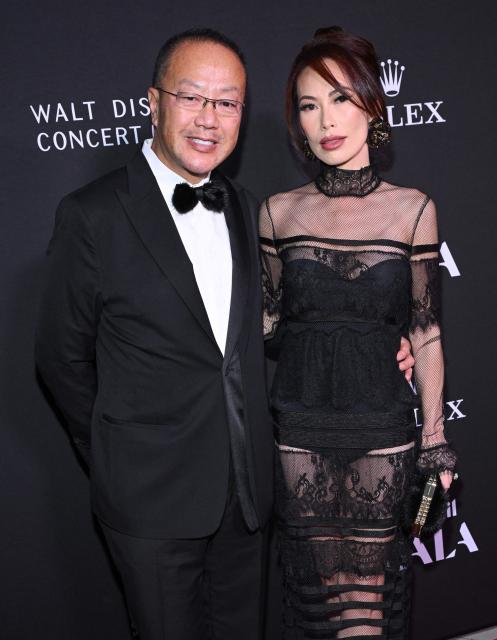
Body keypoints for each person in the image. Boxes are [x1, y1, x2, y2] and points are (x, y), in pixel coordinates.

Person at [35, 28, 414, 640]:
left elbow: (286, 326)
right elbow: (60, 360)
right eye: (192, 97)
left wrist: (381, 348)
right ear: (153, 102)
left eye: (228, 102)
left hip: (247, 494)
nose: (209, 118)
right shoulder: (93, 214)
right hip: (150, 503)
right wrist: (120, 452)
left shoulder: (247, 207)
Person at [259, 27, 456, 639]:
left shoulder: (413, 210)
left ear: (373, 105)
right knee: (321, 598)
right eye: (310, 105)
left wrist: (435, 441)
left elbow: (424, 332)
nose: (325, 121)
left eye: (341, 99)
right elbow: (266, 327)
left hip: (379, 422)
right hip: (301, 427)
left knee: (367, 601)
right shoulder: (277, 212)